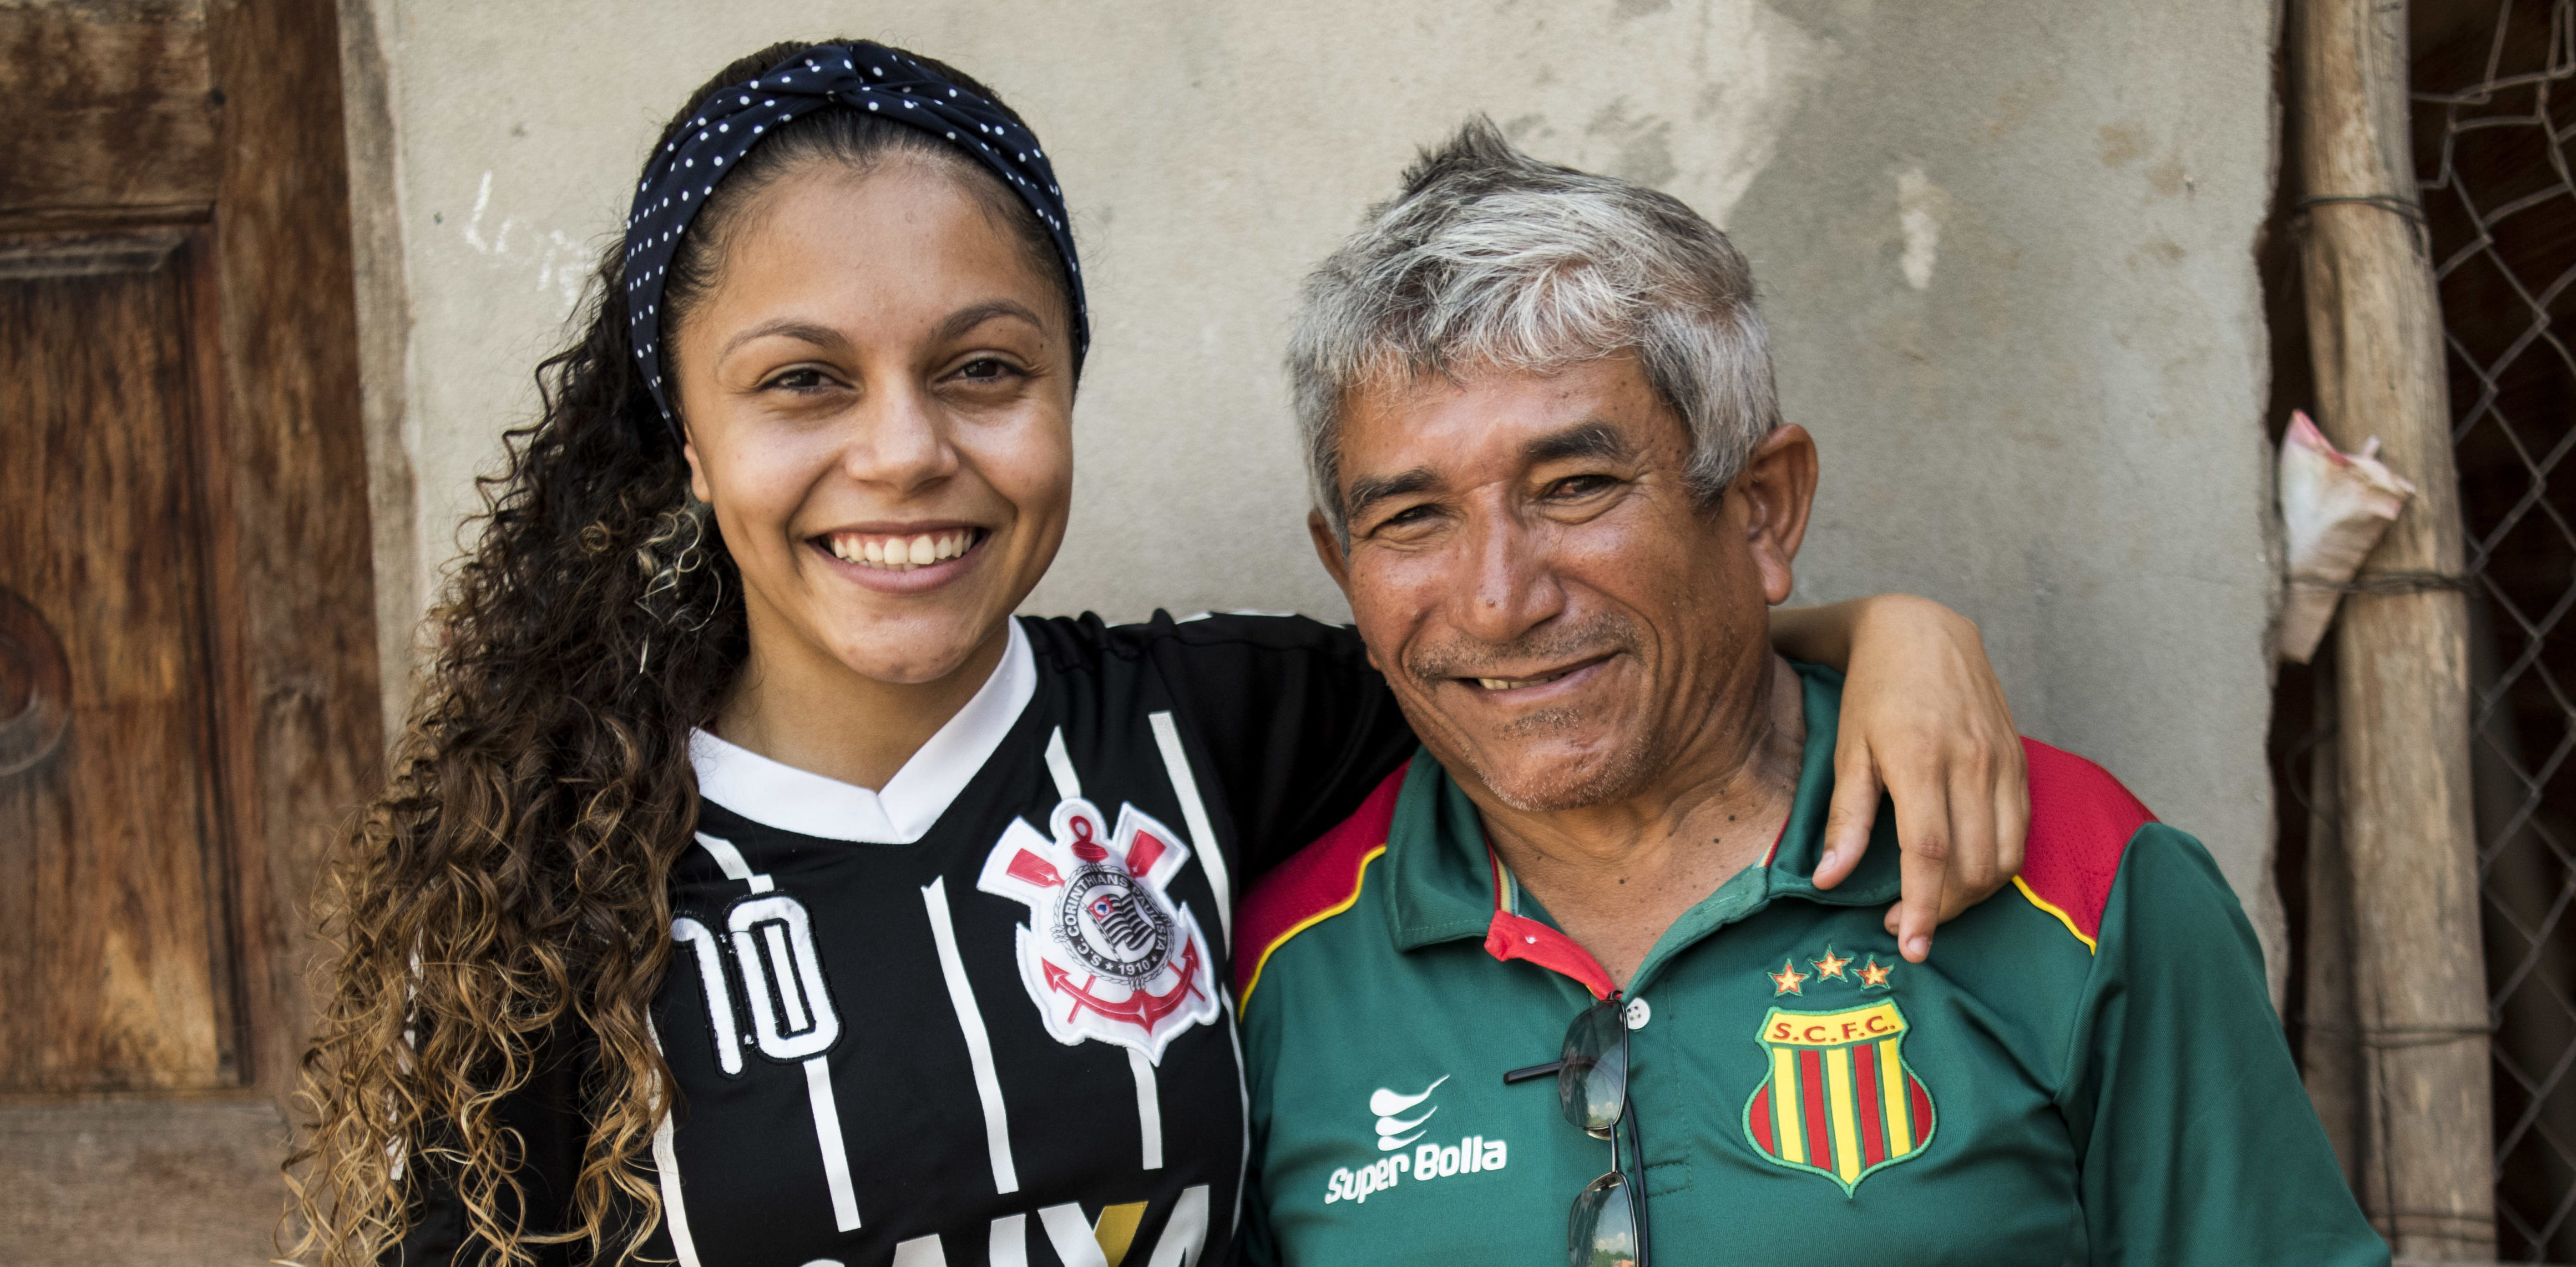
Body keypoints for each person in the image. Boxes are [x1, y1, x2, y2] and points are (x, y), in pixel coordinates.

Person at [288, 42, 2030, 1267]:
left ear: (1062, 391)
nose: (902, 452)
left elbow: (1526, 656)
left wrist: (1882, 631)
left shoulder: (1208, 733)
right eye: (803, 381)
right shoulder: (542, 882)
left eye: (982, 368)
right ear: (683, 430)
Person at [1238, 121, 2384, 1266]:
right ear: (1345, 571)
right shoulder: (1270, 965)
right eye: (1412, 518)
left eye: (1578, 485)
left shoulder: (2082, 879)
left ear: (1763, 507)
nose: (1498, 600)